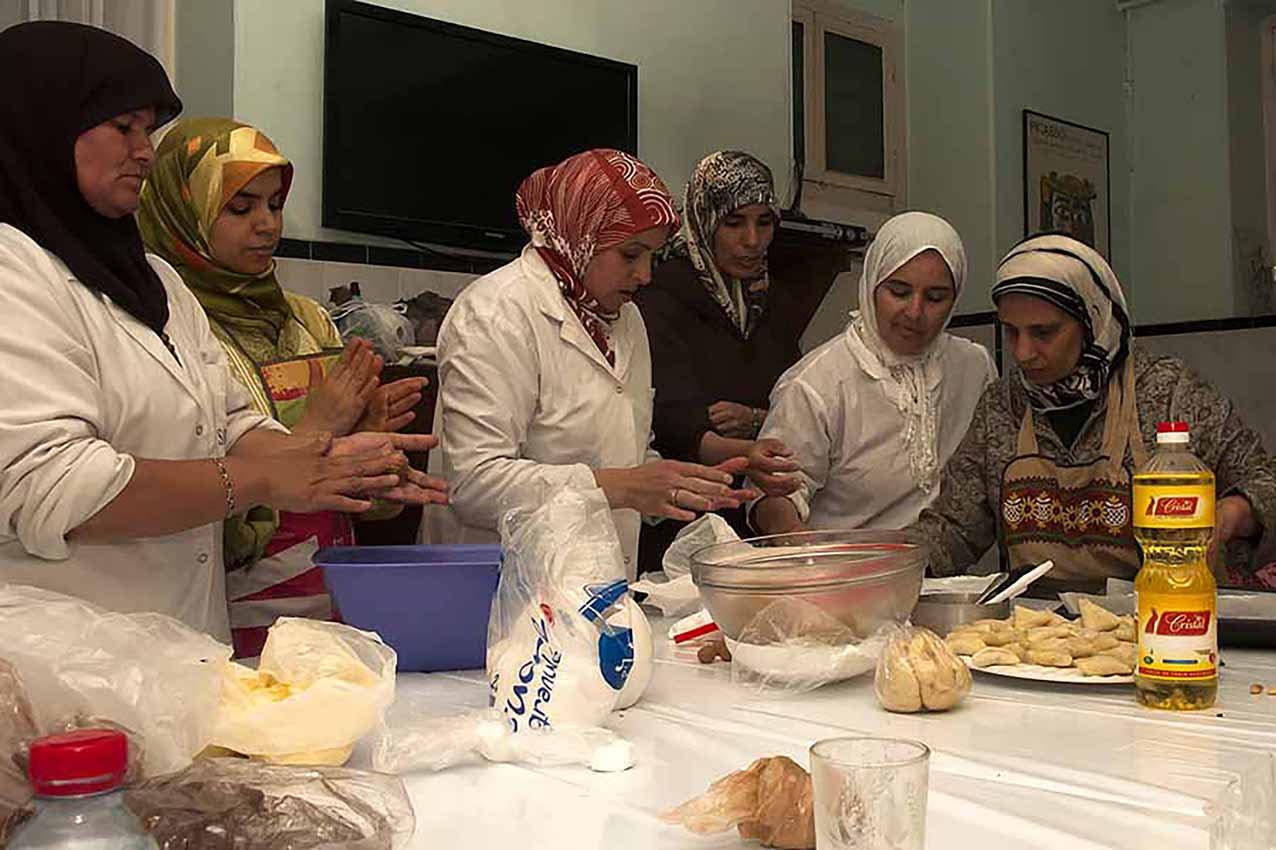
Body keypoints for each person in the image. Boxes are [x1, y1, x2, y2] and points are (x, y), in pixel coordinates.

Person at [0, 21, 446, 642]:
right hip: (66, 655)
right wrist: (266, 478)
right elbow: (50, 485)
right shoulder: (12, 271)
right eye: (122, 127)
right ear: (42, 125)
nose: (145, 151)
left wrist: (329, 458)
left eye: (149, 130)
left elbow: (231, 423)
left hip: (182, 643)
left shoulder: (155, 280)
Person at [137, 117, 426, 657]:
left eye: (274, 203)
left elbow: (355, 504)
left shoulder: (309, 320)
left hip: (332, 600)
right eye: (241, 208)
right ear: (183, 214)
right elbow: (179, 494)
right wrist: (317, 429)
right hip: (225, 611)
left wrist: (372, 463)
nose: (267, 224)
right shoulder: (166, 330)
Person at [420, 148, 757, 579]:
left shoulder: (623, 319)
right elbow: (473, 485)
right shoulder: (496, 313)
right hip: (500, 588)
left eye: (653, 255)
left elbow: (616, 449)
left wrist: (675, 484)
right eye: (630, 255)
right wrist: (622, 486)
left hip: (596, 584)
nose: (645, 275)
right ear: (580, 235)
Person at [913, 233, 1276, 593]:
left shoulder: (1168, 392)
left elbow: (1266, 481)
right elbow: (955, 527)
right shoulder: (1002, 405)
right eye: (1011, 333)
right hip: (1035, 632)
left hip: (1159, 619)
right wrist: (889, 566)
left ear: (1092, 322)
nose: (1023, 353)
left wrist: (1233, 511)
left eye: (1043, 332)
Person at [749, 212, 997, 535]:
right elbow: (772, 495)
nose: (915, 312)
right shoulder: (817, 383)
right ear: (871, 286)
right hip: (842, 571)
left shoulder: (973, 366)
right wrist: (794, 542)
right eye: (899, 292)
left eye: (936, 298)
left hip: (942, 572)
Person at [634, 151, 800, 566]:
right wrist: (749, 449)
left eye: (764, 223)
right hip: (679, 524)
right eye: (734, 222)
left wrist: (756, 421)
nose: (752, 240)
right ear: (704, 221)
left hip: (754, 516)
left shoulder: (772, 302)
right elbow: (674, 422)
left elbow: (795, 395)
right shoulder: (660, 294)